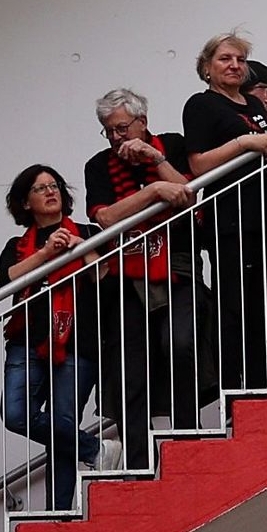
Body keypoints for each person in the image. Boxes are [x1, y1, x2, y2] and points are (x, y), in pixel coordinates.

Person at [177, 34, 267, 396]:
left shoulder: (252, 102)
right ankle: (237, 394)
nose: (234, 65)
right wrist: (243, 143)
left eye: (240, 59)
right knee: (235, 311)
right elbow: (198, 164)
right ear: (207, 67)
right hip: (234, 222)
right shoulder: (202, 105)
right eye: (224, 59)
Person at [83, 91, 201, 451]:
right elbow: (106, 218)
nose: (117, 137)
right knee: (129, 369)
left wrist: (157, 160)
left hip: (177, 265)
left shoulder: (174, 145)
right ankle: (137, 456)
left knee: (181, 344)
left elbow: (189, 196)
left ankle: (187, 433)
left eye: (121, 128)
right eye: (109, 131)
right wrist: (153, 192)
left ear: (142, 122)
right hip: (125, 275)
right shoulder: (98, 165)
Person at [0, 166, 97, 511]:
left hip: (78, 343)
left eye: (54, 186)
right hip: (26, 340)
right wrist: (45, 254)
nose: (50, 192)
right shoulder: (18, 245)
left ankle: (59, 514)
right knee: (15, 413)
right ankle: (94, 449)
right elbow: (6, 281)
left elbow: (106, 276)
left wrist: (83, 247)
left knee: (61, 427)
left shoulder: (87, 231)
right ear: (26, 202)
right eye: (40, 189)